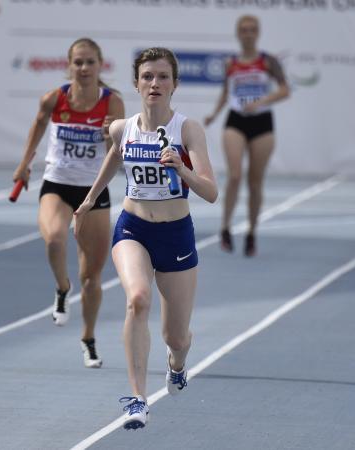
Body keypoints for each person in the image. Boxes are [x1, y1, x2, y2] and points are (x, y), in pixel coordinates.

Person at [74, 47, 218, 430]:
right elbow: (113, 161)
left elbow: (211, 191)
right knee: (137, 299)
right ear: (137, 83)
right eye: (148, 76)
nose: (155, 83)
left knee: (176, 336)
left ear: (175, 84)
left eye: (163, 77)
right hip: (133, 227)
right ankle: (137, 399)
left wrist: (181, 168)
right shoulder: (124, 128)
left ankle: (177, 365)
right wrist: (88, 202)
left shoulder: (187, 130)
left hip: (175, 235)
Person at [12, 38, 124, 367]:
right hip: (57, 185)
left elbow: (118, 155)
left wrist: (109, 136)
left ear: (100, 65)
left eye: (90, 62)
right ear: (69, 65)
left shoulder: (113, 104)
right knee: (55, 239)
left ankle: (88, 338)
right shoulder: (55, 98)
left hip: (93, 192)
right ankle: (62, 287)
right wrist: (25, 163)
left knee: (92, 277)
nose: (84, 68)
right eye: (78, 62)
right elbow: (38, 123)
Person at [204, 14, 289, 257]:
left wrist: (263, 101)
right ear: (238, 34)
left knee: (255, 181)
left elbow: (284, 90)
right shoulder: (231, 63)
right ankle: (225, 227)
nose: (248, 34)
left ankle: (251, 231)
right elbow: (225, 92)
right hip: (236, 120)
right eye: (244, 30)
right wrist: (213, 114)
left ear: (258, 33)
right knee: (234, 175)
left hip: (262, 122)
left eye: (252, 29)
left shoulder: (268, 61)